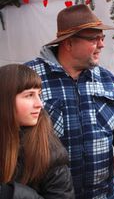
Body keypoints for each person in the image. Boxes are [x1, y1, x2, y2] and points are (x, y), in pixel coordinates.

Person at [25, 4, 114, 199]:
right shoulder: (31, 78)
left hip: (103, 195)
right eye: (93, 39)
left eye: (102, 38)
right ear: (68, 43)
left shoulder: (107, 80)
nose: (101, 44)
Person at [0, 64, 74, 198]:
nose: (39, 103)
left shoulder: (49, 153)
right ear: (5, 99)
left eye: (39, 94)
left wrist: (12, 194)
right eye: (29, 95)